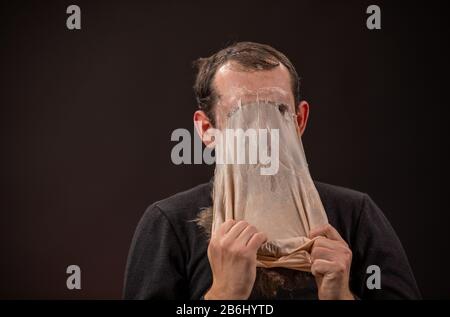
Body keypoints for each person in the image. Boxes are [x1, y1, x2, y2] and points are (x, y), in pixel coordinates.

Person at [123, 42, 421, 300]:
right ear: (206, 129)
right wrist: (224, 295)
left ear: (299, 120)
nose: (264, 132)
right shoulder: (169, 224)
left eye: (278, 112)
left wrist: (340, 296)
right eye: (242, 114)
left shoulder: (355, 215)